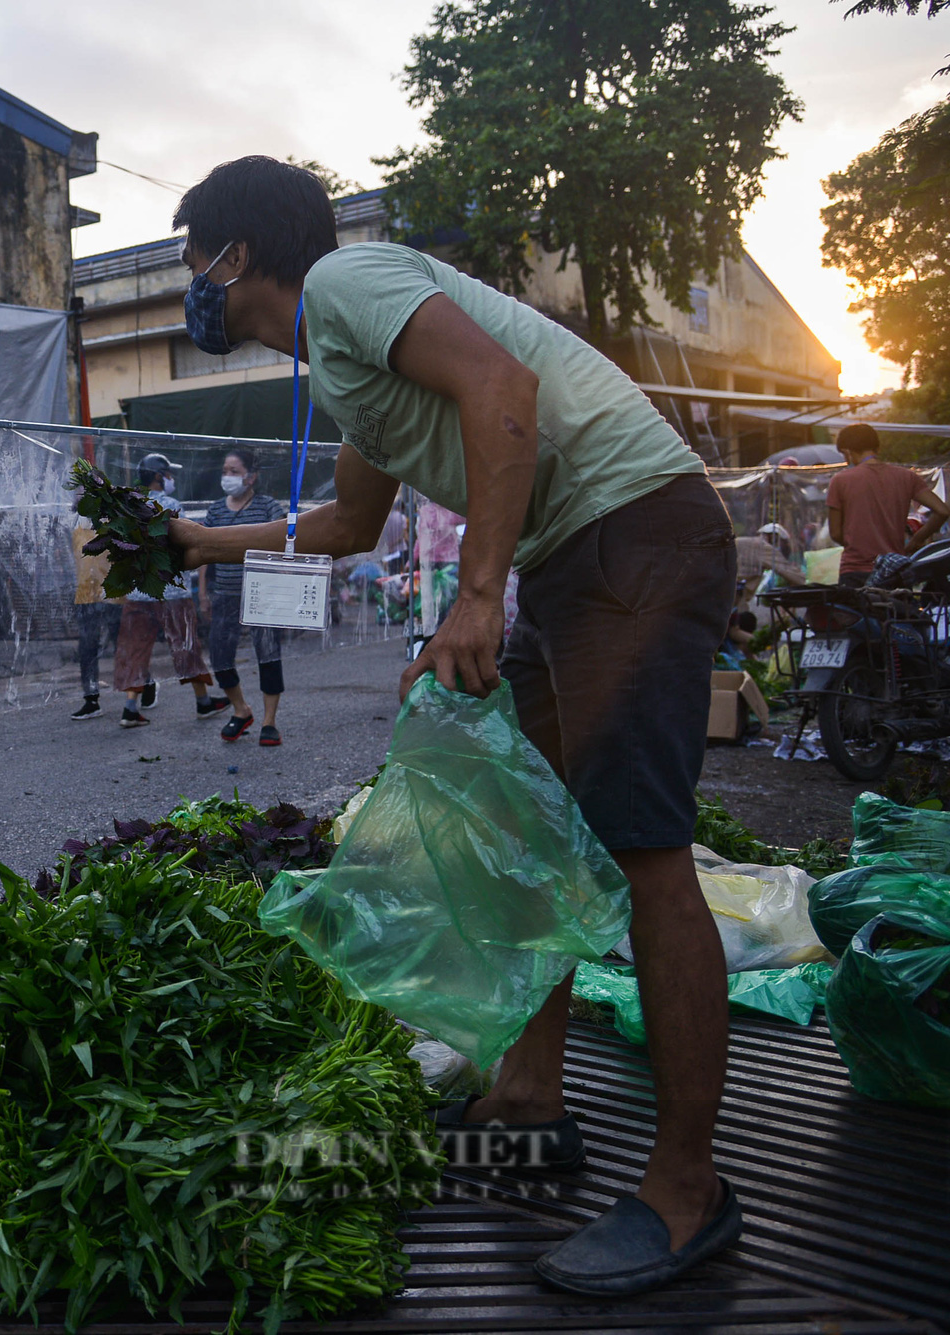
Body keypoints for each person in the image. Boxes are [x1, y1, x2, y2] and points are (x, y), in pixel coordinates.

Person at [162, 156, 741, 1296]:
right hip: (576, 556)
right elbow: (344, 525)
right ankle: (523, 1100)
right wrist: (192, 542)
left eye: (191, 259)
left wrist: (476, 597)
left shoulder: (345, 284)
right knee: (522, 827)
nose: (189, 284)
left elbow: (502, 390)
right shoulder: (346, 359)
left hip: (633, 534)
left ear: (235, 255)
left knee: (642, 853)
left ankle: (685, 1190)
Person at [111, 452, 227, 728]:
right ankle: (203, 702)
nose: (171, 479)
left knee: (135, 648)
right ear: (159, 476)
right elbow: (183, 545)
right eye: (168, 474)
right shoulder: (172, 506)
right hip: (172, 593)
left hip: (139, 593)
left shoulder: (127, 507)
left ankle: (130, 708)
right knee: (185, 645)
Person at [202, 448, 288, 744]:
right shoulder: (215, 511)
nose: (228, 476)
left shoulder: (268, 507)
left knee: (268, 654)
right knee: (220, 656)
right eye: (225, 470)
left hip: (261, 595)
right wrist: (203, 592)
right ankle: (240, 710)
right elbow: (204, 553)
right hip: (224, 593)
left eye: (234, 471)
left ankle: (269, 721)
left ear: (252, 477)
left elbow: (283, 543)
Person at [826, 423, 950, 586]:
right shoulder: (907, 477)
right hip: (895, 571)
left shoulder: (840, 481)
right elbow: (942, 511)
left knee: (856, 612)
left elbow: (835, 533)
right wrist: (916, 540)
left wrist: (859, 543)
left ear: (848, 452)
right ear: (876, 447)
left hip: (856, 571)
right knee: (894, 612)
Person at [70, 514, 123, 719]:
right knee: (87, 647)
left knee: (122, 645)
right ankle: (91, 699)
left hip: (113, 594)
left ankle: (143, 683)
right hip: (85, 595)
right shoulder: (75, 523)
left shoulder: (112, 521)